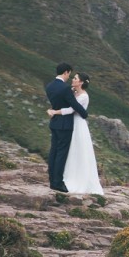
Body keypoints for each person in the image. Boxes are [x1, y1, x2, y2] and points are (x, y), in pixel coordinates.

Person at [48, 73, 103, 195]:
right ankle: (65, 177)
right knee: (69, 151)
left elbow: (72, 110)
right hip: (70, 123)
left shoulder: (83, 96)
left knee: (77, 150)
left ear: (81, 82)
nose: (73, 79)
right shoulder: (72, 92)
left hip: (78, 124)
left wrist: (54, 112)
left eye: (75, 78)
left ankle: (78, 180)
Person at [45, 63, 88, 193]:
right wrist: (84, 113)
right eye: (70, 74)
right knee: (61, 154)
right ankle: (57, 182)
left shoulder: (49, 86)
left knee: (53, 152)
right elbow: (74, 106)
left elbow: (56, 103)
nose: (70, 77)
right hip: (65, 125)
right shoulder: (65, 88)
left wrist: (53, 111)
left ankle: (52, 180)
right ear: (66, 72)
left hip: (54, 123)